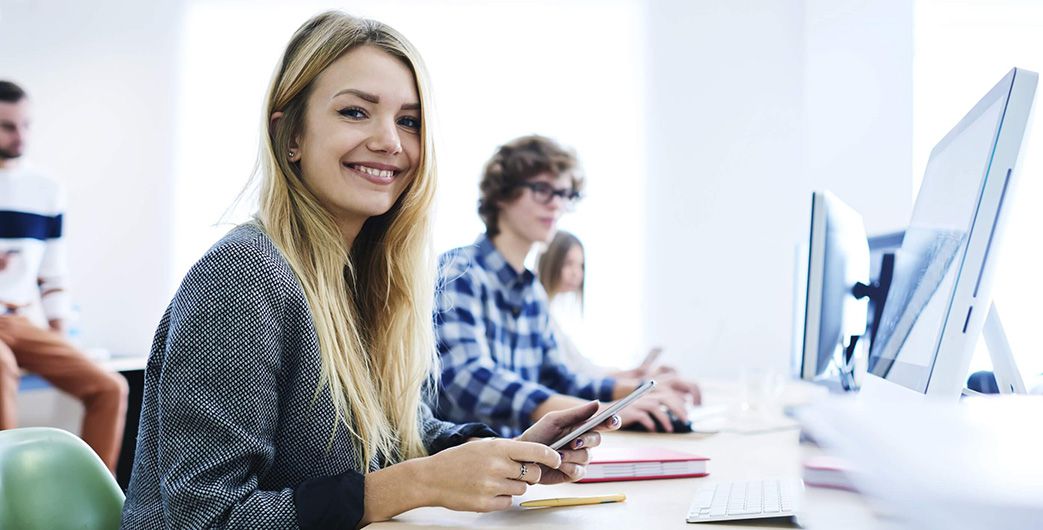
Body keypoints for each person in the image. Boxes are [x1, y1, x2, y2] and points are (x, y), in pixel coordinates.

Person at [121, 12, 618, 529]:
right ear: (289, 135)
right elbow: (203, 517)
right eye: (356, 112)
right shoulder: (246, 275)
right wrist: (420, 482)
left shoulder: (362, 276)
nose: (391, 142)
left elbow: (399, 437)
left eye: (408, 121)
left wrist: (505, 454)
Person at [435, 135, 694, 436]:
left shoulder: (531, 291)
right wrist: (599, 412)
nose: (556, 204)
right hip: (469, 462)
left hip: (527, 458)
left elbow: (559, 379)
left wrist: (637, 391)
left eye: (564, 194)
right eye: (543, 190)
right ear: (501, 195)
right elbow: (466, 378)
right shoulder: (459, 271)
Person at [0, 80, 128, 473]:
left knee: (110, 387)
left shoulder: (46, 189)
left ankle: (88, 497)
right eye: (7, 126)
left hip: (20, 321)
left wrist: (58, 335)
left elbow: (52, 272)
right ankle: (9, 500)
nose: (20, 136)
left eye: (26, 125)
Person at [536, 229, 701, 398]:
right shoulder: (540, 316)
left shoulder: (551, 317)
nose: (576, 272)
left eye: (580, 265)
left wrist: (633, 375)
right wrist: (637, 383)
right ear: (551, 262)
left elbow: (584, 370)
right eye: (568, 263)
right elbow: (575, 377)